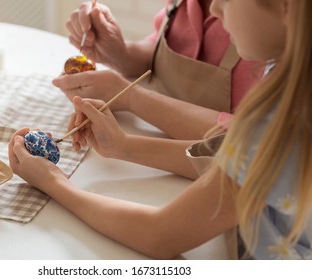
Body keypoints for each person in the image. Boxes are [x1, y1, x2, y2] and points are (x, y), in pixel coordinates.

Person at [9, 0, 311, 259]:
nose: (217, 8)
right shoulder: (284, 77)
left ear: (287, 7)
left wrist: (54, 183)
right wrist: (123, 145)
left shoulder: (282, 117)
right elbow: (236, 158)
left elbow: (159, 234)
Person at [53, 0, 263, 179]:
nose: (216, 8)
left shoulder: (266, 28)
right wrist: (121, 54)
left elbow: (254, 141)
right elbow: (166, 49)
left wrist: (129, 97)